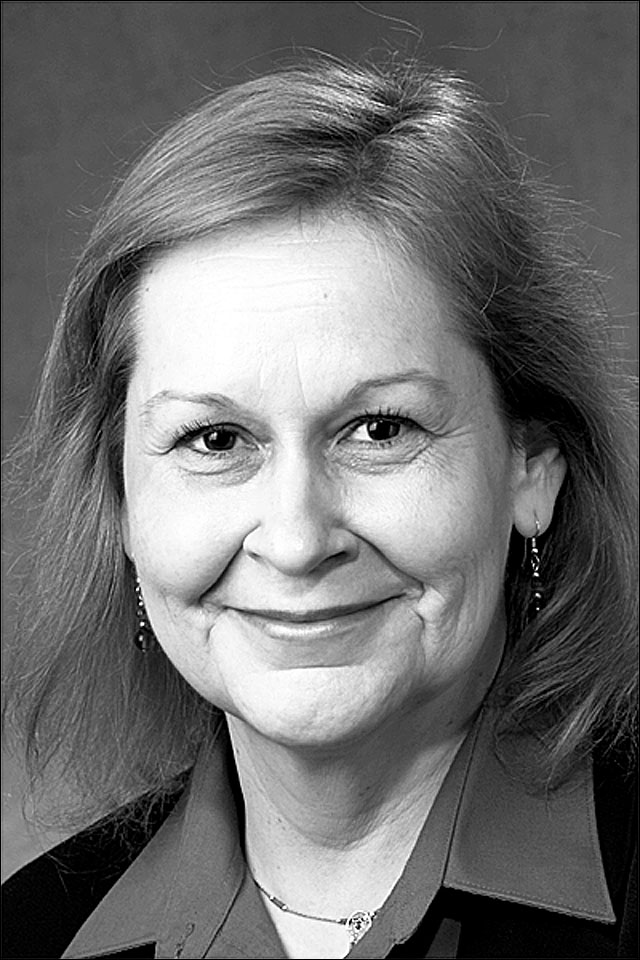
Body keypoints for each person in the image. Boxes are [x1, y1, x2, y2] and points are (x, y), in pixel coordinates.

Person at [1, 57, 637, 960]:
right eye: (215, 440)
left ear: (530, 467)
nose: (298, 540)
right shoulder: (30, 933)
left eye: (380, 430)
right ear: (124, 503)